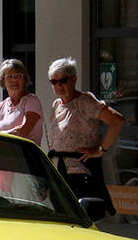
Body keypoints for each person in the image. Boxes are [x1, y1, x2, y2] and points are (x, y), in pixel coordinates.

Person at [45, 56, 125, 217]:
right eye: (54, 82)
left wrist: (100, 150)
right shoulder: (56, 105)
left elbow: (117, 121)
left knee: (81, 221)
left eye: (62, 81)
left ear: (73, 80)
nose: (58, 86)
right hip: (59, 176)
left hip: (80, 175)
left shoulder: (85, 102)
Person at [0, 59, 43, 145]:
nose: (14, 80)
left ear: (24, 79)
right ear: (3, 80)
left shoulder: (31, 101)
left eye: (18, 76)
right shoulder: (1, 106)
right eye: (10, 76)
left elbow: (22, 132)